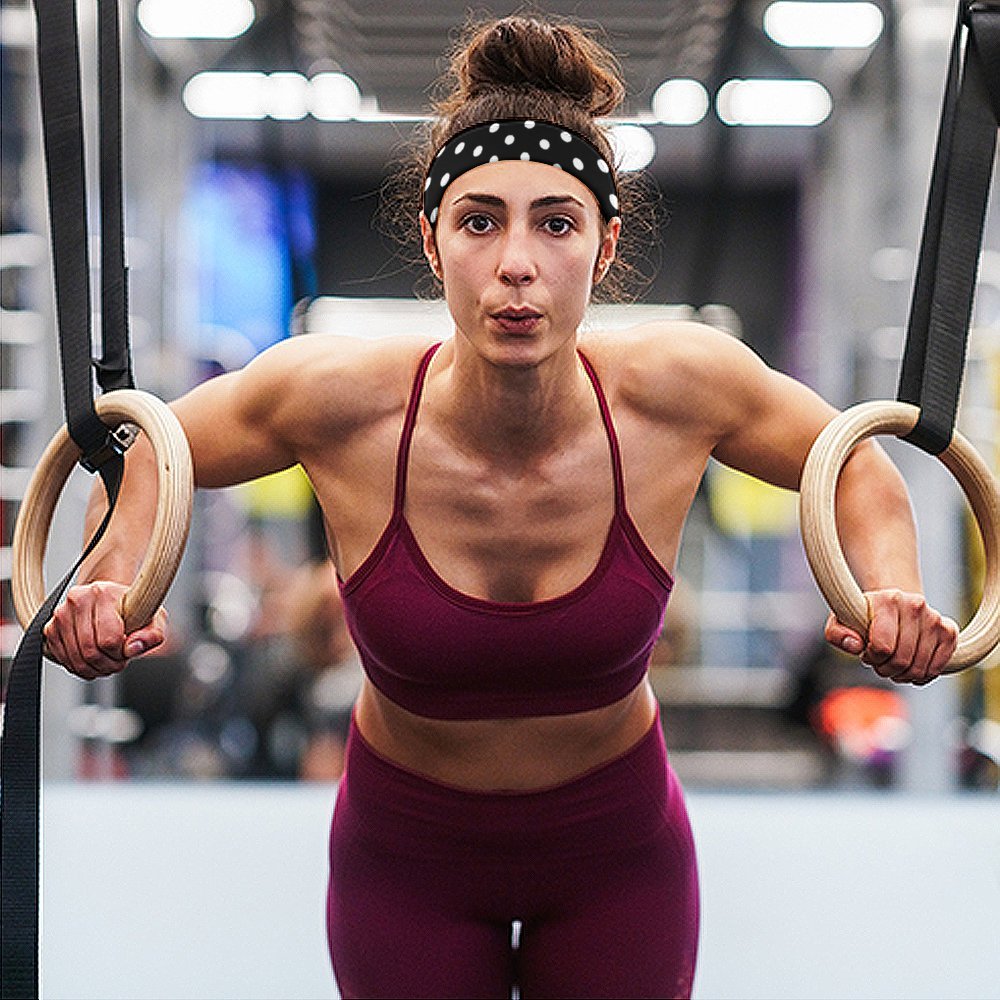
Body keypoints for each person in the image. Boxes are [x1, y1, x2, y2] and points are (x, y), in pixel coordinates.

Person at [43, 14, 960, 1000]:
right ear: (433, 243)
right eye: (479, 221)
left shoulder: (680, 385)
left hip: (614, 851)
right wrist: (110, 584)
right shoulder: (332, 397)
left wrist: (892, 591)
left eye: (554, 223)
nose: (515, 263)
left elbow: (855, 465)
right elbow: (150, 453)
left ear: (604, 248)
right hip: (408, 857)